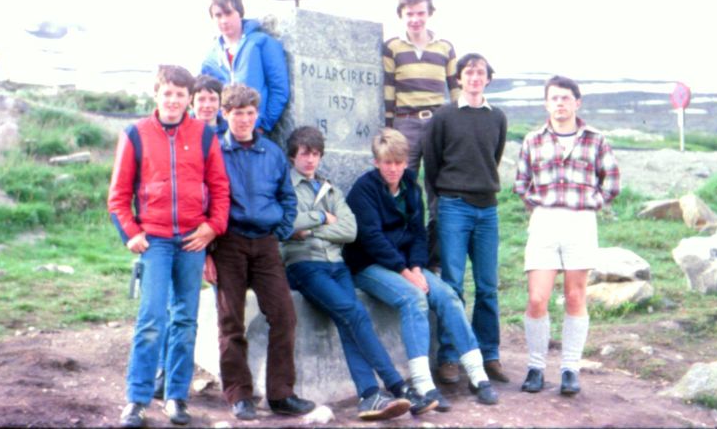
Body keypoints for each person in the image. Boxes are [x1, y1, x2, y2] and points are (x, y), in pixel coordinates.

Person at [281, 126, 436, 420]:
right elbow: (286, 225)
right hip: (303, 265)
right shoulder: (285, 188)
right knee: (354, 313)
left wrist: (310, 230)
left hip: (338, 266)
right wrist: (322, 218)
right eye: (305, 154)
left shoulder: (330, 188)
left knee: (347, 320)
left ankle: (369, 395)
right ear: (293, 156)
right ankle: (398, 386)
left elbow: (350, 230)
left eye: (315, 154)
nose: (310, 160)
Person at [108, 65, 230, 428]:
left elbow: (220, 189)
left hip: (193, 240)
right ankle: (137, 400)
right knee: (151, 320)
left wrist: (212, 227)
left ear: (188, 98)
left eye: (180, 94)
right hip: (156, 240)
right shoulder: (135, 134)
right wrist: (131, 232)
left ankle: (176, 397)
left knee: (185, 320)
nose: (174, 100)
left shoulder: (204, 136)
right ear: (156, 95)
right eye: (168, 93)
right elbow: (117, 196)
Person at [345, 128, 500, 413]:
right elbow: (372, 239)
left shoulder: (411, 189)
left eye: (398, 162)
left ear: (406, 162)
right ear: (376, 162)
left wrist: (417, 266)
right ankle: (424, 385)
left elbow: (418, 234)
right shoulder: (363, 190)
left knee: (448, 296)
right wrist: (407, 274)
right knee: (413, 299)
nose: (393, 168)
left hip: (406, 264)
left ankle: (478, 375)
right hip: (369, 264)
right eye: (386, 162)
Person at [204, 84, 315, 420]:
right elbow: (204, 200)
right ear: (225, 114)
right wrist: (208, 250)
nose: (244, 119)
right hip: (229, 242)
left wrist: (280, 232)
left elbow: (287, 197)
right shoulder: (215, 152)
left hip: (266, 244)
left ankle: (281, 394)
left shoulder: (272, 153)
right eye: (237, 113)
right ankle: (239, 394)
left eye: (250, 113)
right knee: (231, 321)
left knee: (284, 316)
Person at [513, 75, 621, 396]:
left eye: (565, 98)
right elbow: (521, 183)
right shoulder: (533, 140)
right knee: (537, 298)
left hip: (581, 222)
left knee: (575, 297)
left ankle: (570, 370)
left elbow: (612, 182)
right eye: (554, 98)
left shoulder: (596, 140)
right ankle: (535, 367)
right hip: (545, 222)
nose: (560, 103)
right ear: (546, 104)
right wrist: (540, 206)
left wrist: (591, 203)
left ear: (577, 102)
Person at [423, 53, 509, 385]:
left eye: (481, 73)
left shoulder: (498, 117)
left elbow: (494, 157)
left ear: (488, 78)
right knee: (453, 285)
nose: (475, 77)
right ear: (459, 79)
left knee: (487, 286)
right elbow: (431, 165)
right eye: (469, 72)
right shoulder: (444, 117)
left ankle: (489, 354)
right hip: (453, 207)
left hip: (487, 209)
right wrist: (442, 202)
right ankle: (449, 356)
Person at [153, 73, 227, 400]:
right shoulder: (183, 133)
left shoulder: (228, 135)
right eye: (202, 99)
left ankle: (180, 376)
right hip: (185, 233)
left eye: (214, 99)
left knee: (187, 309)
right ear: (191, 102)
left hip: (218, 228)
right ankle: (163, 372)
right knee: (172, 306)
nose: (208, 105)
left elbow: (222, 191)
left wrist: (213, 238)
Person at [382, 0, 459, 271]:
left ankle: (434, 261)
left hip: (439, 122)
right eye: (409, 14)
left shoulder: (445, 48)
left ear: (429, 14)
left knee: (439, 191)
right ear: (401, 15)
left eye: (420, 13)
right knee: (403, 189)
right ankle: (404, 257)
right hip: (405, 124)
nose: (415, 19)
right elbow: (388, 90)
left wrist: (458, 126)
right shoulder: (393, 48)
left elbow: (456, 90)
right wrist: (389, 129)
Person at [199, 0, 289, 134]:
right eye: (218, 15)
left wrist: (263, 125)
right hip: (222, 135)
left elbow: (279, 89)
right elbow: (203, 95)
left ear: (240, 12)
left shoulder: (261, 43)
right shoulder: (210, 56)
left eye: (228, 13)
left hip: (255, 131)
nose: (224, 20)